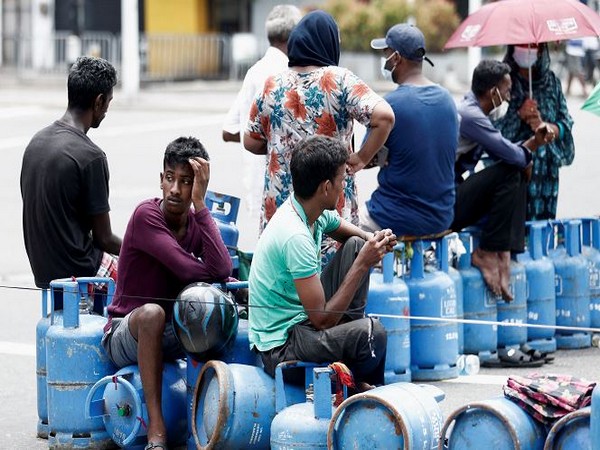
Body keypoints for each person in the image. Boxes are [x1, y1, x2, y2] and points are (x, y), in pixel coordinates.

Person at [102, 137, 232, 449]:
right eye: (170, 179)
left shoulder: (193, 221)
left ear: (197, 186)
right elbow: (188, 270)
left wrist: (201, 206)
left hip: (170, 333)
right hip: (126, 332)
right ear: (161, 180)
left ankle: (207, 421)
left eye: (186, 182)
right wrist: (206, 272)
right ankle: (156, 429)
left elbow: (223, 268)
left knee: (217, 312)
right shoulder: (146, 216)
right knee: (153, 313)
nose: (175, 189)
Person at [244, 10, 394, 259]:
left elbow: (251, 140)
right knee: (329, 283)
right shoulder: (338, 80)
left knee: (284, 281)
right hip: (328, 207)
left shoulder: (271, 84)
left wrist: (279, 144)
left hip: (282, 207)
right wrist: (361, 158)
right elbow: (384, 117)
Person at [248, 135, 394, 391]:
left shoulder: (309, 209)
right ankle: (357, 388)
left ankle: (351, 362)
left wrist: (374, 240)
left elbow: (347, 231)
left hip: (304, 323)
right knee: (373, 334)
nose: (343, 185)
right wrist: (363, 263)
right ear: (326, 187)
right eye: (341, 180)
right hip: (282, 346)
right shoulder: (295, 236)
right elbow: (322, 321)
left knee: (357, 246)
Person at [452, 60, 553, 300]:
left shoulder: (474, 111)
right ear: (494, 92)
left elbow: (509, 153)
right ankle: (487, 252)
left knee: (514, 170)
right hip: (445, 201)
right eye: (506, 91)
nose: (508, 97)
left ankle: (503, 252)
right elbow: (510, 155)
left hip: (453, 193)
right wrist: (525, 157)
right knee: (511, 171)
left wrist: (533, 144)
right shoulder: (471, 115)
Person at [21, 56, 121, 290]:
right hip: (80, 270)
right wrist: (143, 250)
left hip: (44, 272)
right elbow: (104, 238)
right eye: (108, 102)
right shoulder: (91, 156)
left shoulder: (36, 142)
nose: (106, 110)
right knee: (146, 279)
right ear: (98, 102)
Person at [360, 23, 457, 238]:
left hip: (394, 216)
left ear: (396, 58)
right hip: (442, 216)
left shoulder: (391, 104)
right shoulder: (447, 99)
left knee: (345, 231)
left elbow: (366, 158)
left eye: (385, 54)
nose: (384, 61)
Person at [222, 5, 302, 241]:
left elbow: (228, 130)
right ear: (294, 36)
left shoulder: (255, 71)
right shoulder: (287, 72)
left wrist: (255, 139)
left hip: (257, 182)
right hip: (283, 183)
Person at [495, 43, 575, 220]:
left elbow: (565, 123)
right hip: (513, 170)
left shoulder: (552, 81)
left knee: (543, 229)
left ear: (541, 50)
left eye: (533, 46)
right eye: (521, 45)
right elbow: (491, 131)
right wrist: (518, 114)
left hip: (547, 173)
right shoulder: (503, 83)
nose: (527, 49)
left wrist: (545, 126)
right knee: (515, 230)